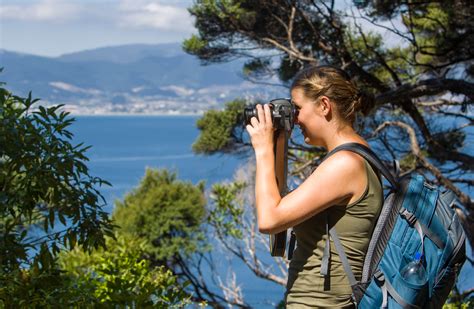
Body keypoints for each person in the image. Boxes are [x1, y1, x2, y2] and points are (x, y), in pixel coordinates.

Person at [245, 65, 383, 308]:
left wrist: (263, 149)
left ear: (324, 106)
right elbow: (280, 203)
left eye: (297, 109)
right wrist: (278, 142)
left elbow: (269, 219)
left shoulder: (345, 164)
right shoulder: (355, 156)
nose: (295, 118)